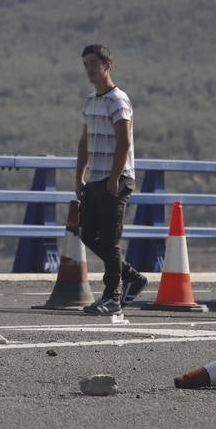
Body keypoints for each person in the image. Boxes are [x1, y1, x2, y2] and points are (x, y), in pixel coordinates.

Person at [74, 44, 147, 316]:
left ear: (107, 66)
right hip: (95, 178)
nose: (90, 70)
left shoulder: (118, 100)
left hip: (116, 178)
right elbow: (85, 141)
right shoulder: (91, 101)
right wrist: (79, 175)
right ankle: (131, 276)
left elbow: (124, 141)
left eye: (94, 64)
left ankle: (112, 297)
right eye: (86, 65)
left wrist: (115, 177)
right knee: (88, 234)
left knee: (110, 239)